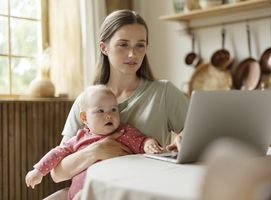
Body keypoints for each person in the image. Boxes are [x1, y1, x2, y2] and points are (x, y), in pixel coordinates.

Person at [44, 9, 189, 200]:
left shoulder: (164, 92)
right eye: (123, 44)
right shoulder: (86, 101)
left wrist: (185, 141)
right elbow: (58, 173)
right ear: (104, 48)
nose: (132, 53)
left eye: (140, 45)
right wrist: (95, 150)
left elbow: (198, 134)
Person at [25, 85, 163, 199]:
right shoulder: (79, 138)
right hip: (72, 195)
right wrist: (39, 170)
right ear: (84, 117)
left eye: (113, 109)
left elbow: (142, 141)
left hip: (104, 194)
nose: (109, 115)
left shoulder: (125, 133)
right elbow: (57, 153)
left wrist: (149, 143)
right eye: (100, 111)